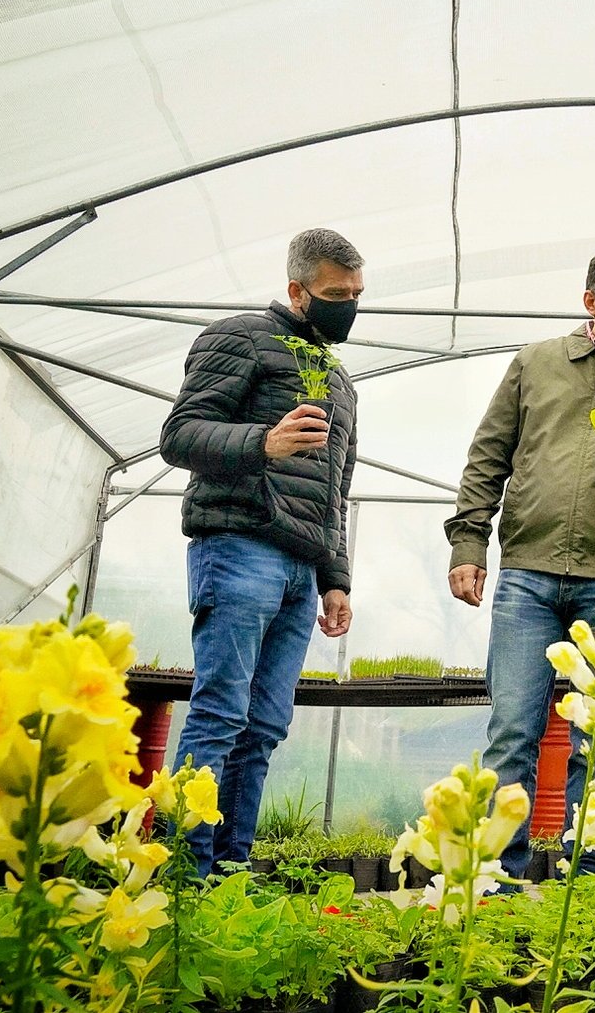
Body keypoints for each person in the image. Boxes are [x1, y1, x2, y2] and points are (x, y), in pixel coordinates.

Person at [446, 246, 595, 881]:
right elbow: (488, 455)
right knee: (512, 733)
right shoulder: (536, 363)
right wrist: (469, 543)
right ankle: (497, 875)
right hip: (527, 573)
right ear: (592, 303)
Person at [160, 228, 362, 875]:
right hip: (239, 544)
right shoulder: (240, 337)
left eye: (357, 294)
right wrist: (264, 442)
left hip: (302, 571)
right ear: (297, 289)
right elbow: (179, 434)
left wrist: (335, 577)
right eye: (336, 294)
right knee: (220, 713)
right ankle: (183, 875)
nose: (349, 306)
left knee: (265, 725)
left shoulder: (340, 382)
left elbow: (337, 490)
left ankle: (228, 871)